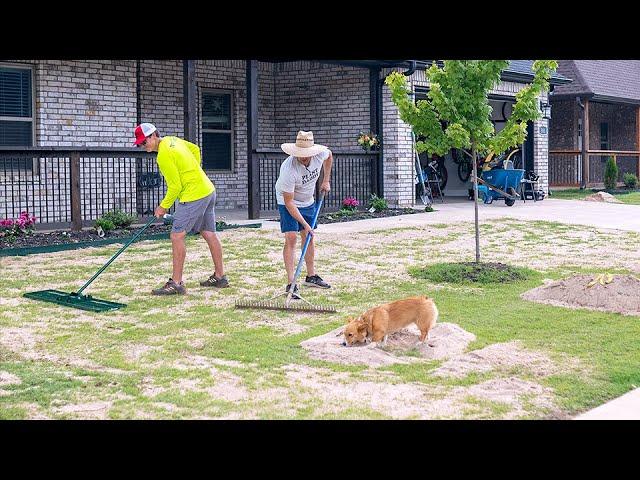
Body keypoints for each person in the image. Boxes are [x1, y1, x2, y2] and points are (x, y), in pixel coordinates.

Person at [134, 122, 228, 295]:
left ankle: (176, 283)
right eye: (139, 143)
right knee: (208, 233)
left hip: (193, 196)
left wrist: (163, 207)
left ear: (154, 135)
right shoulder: (172, 140)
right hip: (207, 189)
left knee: (177, 236)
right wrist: (194, 171)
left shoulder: (163, 155)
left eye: (144, 142)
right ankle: (220, 277)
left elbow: (175, 187)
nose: (142, 145)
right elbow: (195, 149)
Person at [275, 130, 333, 299]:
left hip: (307, 199)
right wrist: (306, 224)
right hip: (288, 200)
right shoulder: (288, 169)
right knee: (291, 237)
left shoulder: (319, 154)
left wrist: (326, 180)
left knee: (308, 237)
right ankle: (291, 283)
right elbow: (289, 203)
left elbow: (329, 156)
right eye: (301, 154)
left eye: (306, 154)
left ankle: (311, 276)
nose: (304, 157)